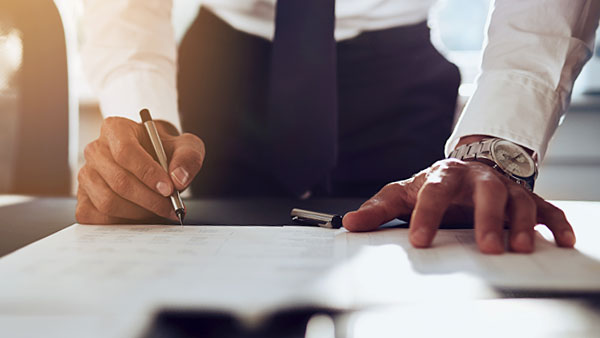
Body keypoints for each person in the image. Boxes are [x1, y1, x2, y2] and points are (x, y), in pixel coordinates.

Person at [77, 0, 599, 254]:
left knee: (418, 265)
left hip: (398, 75)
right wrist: (141, 113)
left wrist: (495, 144)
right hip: (223, 72)